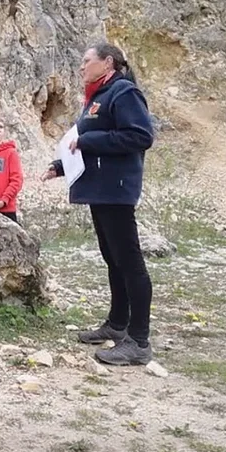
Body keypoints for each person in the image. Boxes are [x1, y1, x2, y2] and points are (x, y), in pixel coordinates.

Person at [42, 43, 156, 366]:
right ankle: (118, 325)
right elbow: (88, 140)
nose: (81, 67)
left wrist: (90, 141)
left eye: (86, 61)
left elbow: (140, 136)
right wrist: (61, 166)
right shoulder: (98, 98)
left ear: (107, 63)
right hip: (100, 189)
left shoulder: (123, 93)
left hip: (117, 190)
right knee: (113, 258)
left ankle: (139, 340)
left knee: (129, 261)